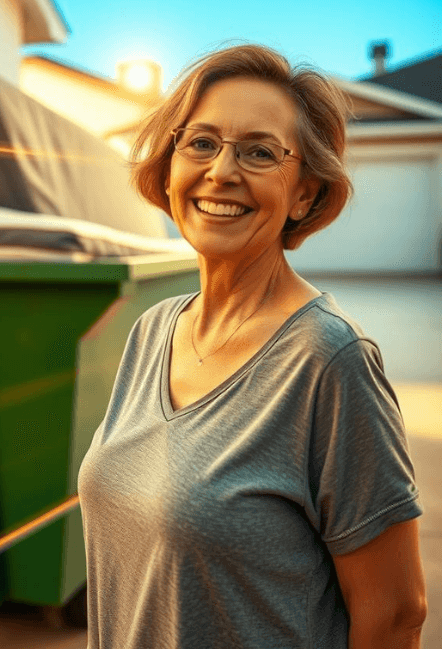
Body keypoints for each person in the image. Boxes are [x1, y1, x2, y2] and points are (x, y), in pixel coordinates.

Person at [77, 44, 427, 649]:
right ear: (168, 166)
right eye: (201, 143)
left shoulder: (328, 361)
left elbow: (396, 614)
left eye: (260, 152)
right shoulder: (151, 330)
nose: (221, 172)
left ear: (305, 195)